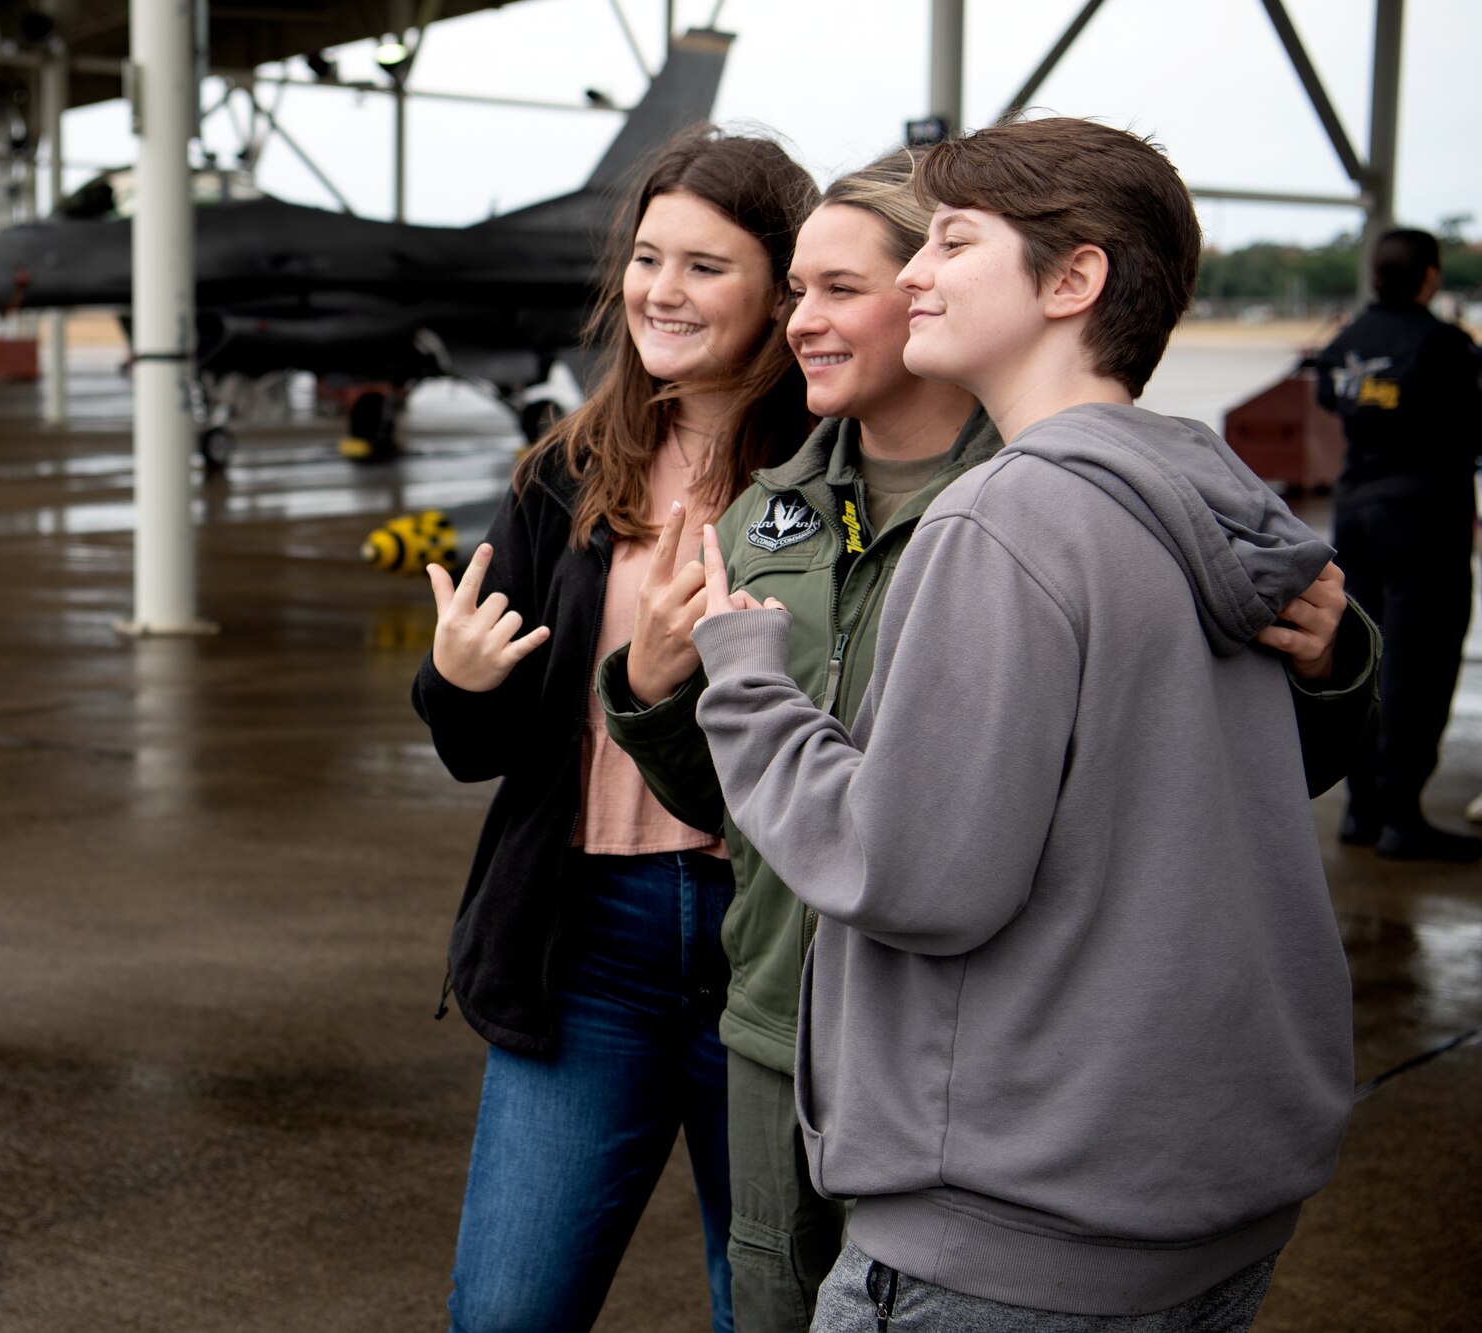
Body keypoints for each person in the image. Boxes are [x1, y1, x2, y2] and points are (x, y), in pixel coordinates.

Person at [600, 148, 1375, 1331]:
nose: (912, 280)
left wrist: (745, 685)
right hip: (940, 1087)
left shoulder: (1004, 512)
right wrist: (655, 691)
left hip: (991, 1154)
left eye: (944, 246)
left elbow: (914, 870)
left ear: (1070, 282)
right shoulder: (1196, 491)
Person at [410, 125, 813, 1333]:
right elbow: (473, 748)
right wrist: (457, 678)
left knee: (770, 1310)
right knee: (505, 1310)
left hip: (770, 946)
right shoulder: (569, 469)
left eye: (705, 265)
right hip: (587, 941)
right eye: (647, 258)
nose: (661, 291)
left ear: (780, 289)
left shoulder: (829, 472)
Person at [1315, 227, 1482, 862]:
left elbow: (1332, 392)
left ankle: (1362, 809)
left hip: (1357, 515)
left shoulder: (1350, 343)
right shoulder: (1444, 347)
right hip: (1424, 519)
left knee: (1368, 652)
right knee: (1422, 662)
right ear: (1431, 277)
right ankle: (1402, 813)